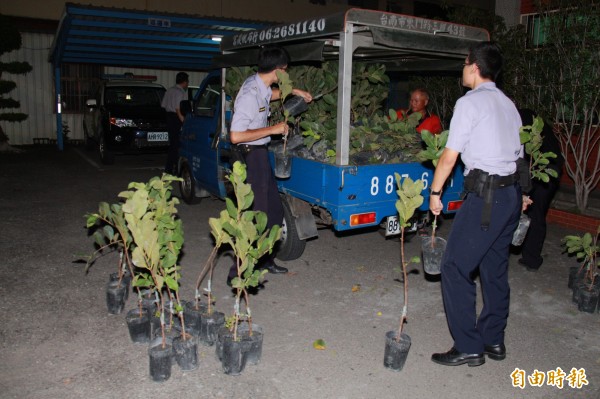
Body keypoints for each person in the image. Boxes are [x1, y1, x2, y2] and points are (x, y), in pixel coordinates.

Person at [428, 42, 530, 367]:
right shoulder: (508, 104)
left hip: (486, 198)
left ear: (473, 66)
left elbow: (449, 156)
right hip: (510, 195)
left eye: (464, 63)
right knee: (494, 270)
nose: (462, 69)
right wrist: (523, 194)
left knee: (455, 267)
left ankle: (469, 345)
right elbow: (519, 155)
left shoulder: (469, 104)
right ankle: (492, 339)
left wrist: (435, 193)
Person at [227, 46, 312, 284]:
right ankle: (238, 272)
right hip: (250, 155)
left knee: (274, 212)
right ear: (278, 70)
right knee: (256, 216)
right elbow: (235, 135)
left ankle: (264, 259)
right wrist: (273, 129)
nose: (286, 74)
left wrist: (296, 91)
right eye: (285, 71)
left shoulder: (262, 85)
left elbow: (272, 94)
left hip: (260, 154)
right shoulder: (249, 94)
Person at [517, 108, 564, 272]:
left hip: (542, 175)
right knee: (535, 213)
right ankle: (530, 256)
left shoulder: (524, 128)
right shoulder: (540, 126)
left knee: (534, 214)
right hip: (549, 174)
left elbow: (522, 158)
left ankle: (532, 258)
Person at [161, 71, 189, 174]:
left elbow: (163, 105)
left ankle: (170, 168)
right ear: (185, 82)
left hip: (169, 117)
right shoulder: (180, 92)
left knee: (173, 144)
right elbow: (178, 109)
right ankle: (173, 169)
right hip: (176, 118)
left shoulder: (169, 90)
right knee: (176, 145)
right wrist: (183, 121)